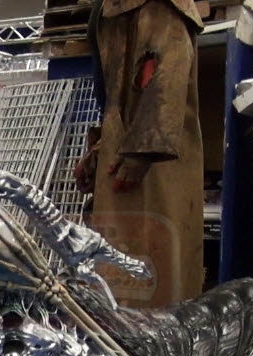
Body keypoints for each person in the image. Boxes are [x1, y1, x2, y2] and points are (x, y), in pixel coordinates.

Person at [75, 0, 205, 305]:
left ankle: (156, 335)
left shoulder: (158, 6)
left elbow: (170, 63)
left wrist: (144, 149)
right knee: (122, 275)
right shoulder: (112, 6)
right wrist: (100, 150)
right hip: (125, 151)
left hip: (153, 164)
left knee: (155, 275)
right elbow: (118, 97)